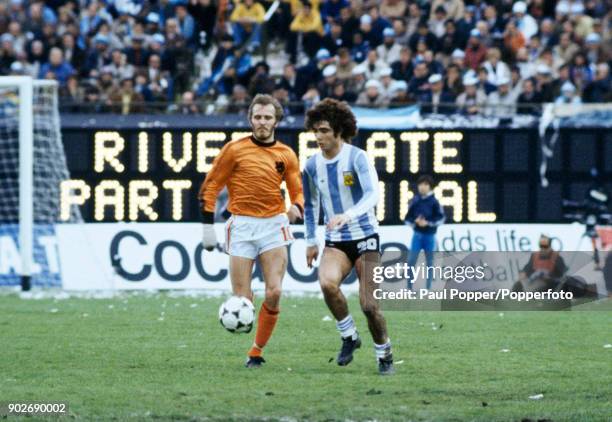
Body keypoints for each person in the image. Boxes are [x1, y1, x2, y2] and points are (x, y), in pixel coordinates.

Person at [199, 94, 304, 368]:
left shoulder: (286, 154)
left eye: (268, 117)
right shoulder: (234, 150)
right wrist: (207, 226)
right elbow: (211, 186)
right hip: (242, 225)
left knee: (275, 291)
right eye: (257, 117)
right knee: (242, 299)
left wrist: (296, 208)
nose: (262, 122)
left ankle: (256, 352)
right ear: (250, 119)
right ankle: (246, 316)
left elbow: (297, 192)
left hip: (273, 226)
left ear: (276, 121)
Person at [302, 98, 395, 375]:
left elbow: (372, 194)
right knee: (327, 284)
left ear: (339, 131)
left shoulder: (357, 157)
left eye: (324, 131)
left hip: (366, 237)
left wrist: (348, 214)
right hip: (336, 241)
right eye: (316, 131)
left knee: (369, 305)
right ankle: (349, 336)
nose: (318, 137)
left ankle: (384, 353)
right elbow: (310, 206)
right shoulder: (310, 166)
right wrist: (310, 240)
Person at [405, 175, 445, 290]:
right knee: (411, 261)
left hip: (430, 236)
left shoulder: (434, 202)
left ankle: (428, 289)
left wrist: (428, 223)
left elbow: (441, 218)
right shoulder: (415, 201)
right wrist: (415, 222)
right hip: (417, 235)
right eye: (420, 184)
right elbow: (407, 218)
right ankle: (409, 289)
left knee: (430, 263)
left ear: (430, 187)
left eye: (425, 184)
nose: (422, 187)